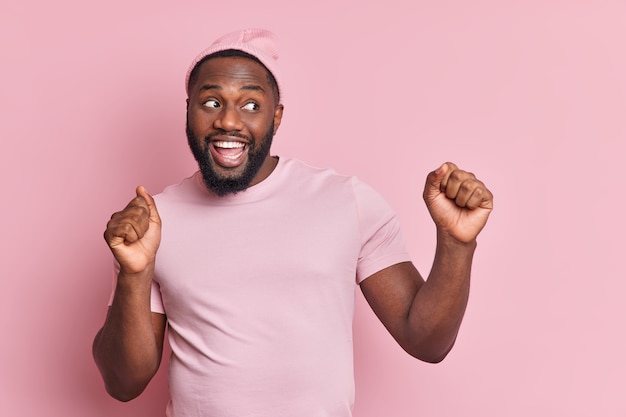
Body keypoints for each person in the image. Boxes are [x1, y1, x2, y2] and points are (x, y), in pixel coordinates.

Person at [93, 28, 494, 417]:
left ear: (277, 116)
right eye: (211, 102)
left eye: (251, 105)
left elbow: (426, 341)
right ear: (189, 109)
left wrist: (456, 245)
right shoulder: (153, 222)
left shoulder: (345, 201)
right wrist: (134, 273)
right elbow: (123, 383)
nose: (229, 122)